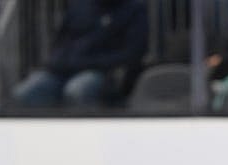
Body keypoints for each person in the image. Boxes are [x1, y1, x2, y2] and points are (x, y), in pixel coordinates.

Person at [11, 0, 147, 109]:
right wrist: (57, 60)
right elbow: (60, 40)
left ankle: (86, 140)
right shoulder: (79, 5)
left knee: (77, 91)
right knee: (26, 92)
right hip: (64, 69)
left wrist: (90, 62)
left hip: (103, 72)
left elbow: (132, 54)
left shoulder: (135, 9)